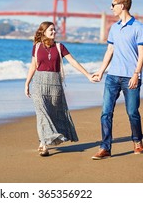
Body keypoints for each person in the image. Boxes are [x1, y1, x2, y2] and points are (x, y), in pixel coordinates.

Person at [25, 21, 95, 156]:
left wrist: (87, 75)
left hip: (55, 84)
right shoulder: (36, 47)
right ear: (43, 32)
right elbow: (33, 66)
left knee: (51, 113)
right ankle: (45, 145)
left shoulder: (59, 47)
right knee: (41, 113)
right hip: (38, 83)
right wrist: (27, 83)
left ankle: (43, 140)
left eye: (54, 30)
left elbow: (73, 61)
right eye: (51, 30)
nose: (54, 32)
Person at [91, 0, 143, 160]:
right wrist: (101, 71)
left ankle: (137, 141)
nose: (111, 8)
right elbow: (110, 50)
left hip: (131, 77)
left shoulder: (139, 27)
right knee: (105, 113)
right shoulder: (114, 28)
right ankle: (105, 148)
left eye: (113, 4)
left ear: (122, 5)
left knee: (132, 112)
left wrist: (136, 74)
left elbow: (142, 53)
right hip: (112, 77)